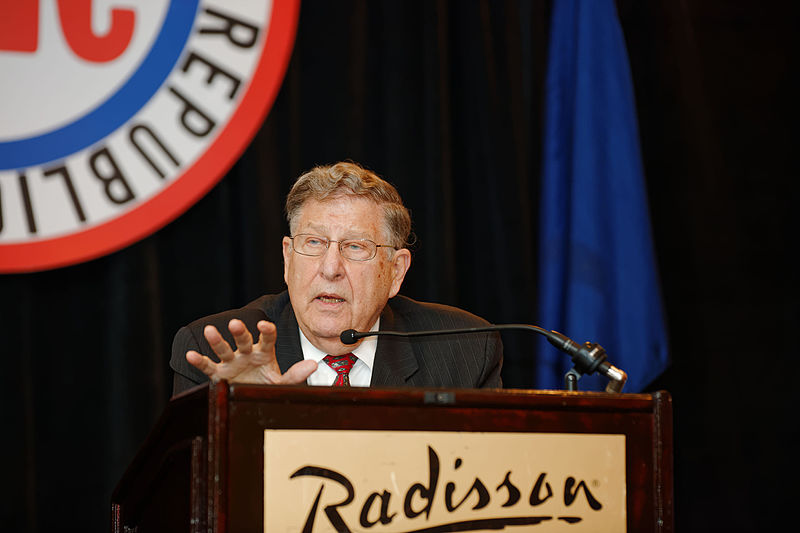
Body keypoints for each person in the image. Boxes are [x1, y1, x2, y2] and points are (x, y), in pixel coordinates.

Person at [170, 162, 502, 394]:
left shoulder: (463, 352)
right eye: (313, 243)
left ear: (396, 271)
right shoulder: (215, 354)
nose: (331, 268)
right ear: (288, 258)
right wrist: (243, 411)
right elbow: (187, 491)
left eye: (355, 247)